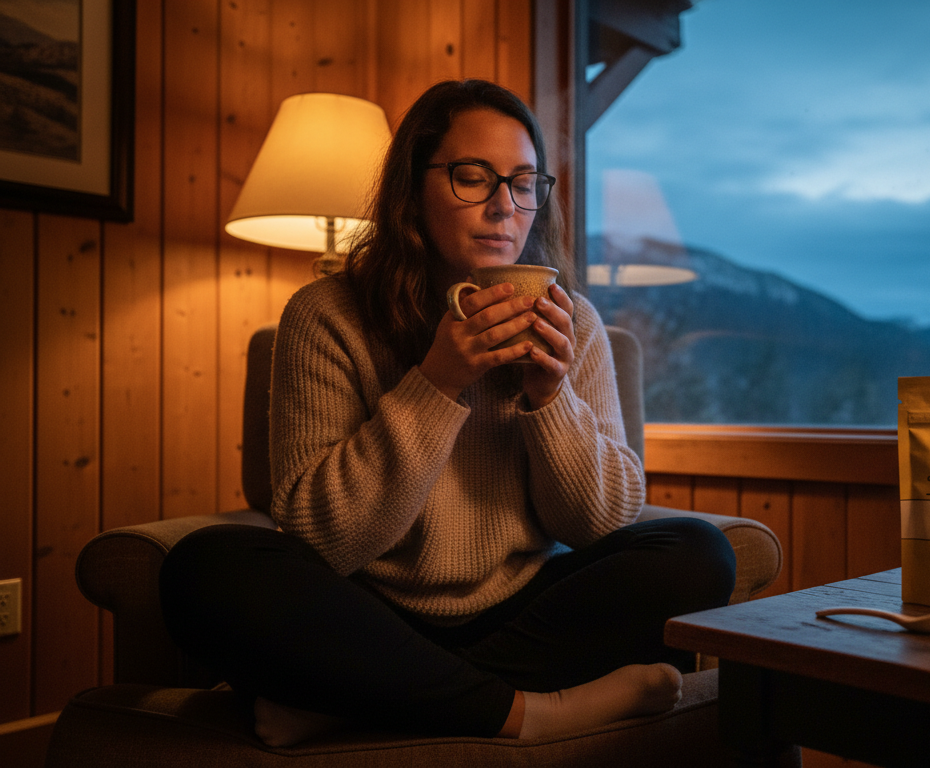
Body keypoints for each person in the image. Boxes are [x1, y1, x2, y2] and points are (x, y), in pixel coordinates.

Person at [159, 79, 736, 747]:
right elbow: (323, 539)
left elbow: (600, 524)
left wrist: (550, 399)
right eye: (472, 177)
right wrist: (438, 381)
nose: (504, 207)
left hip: (523, 610)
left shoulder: (572, 321)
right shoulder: (327, 315)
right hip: (370, 615)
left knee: (698, 552)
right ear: (413, 187)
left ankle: (357, 702)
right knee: (202, 566)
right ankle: (528, 713)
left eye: (524, 183)